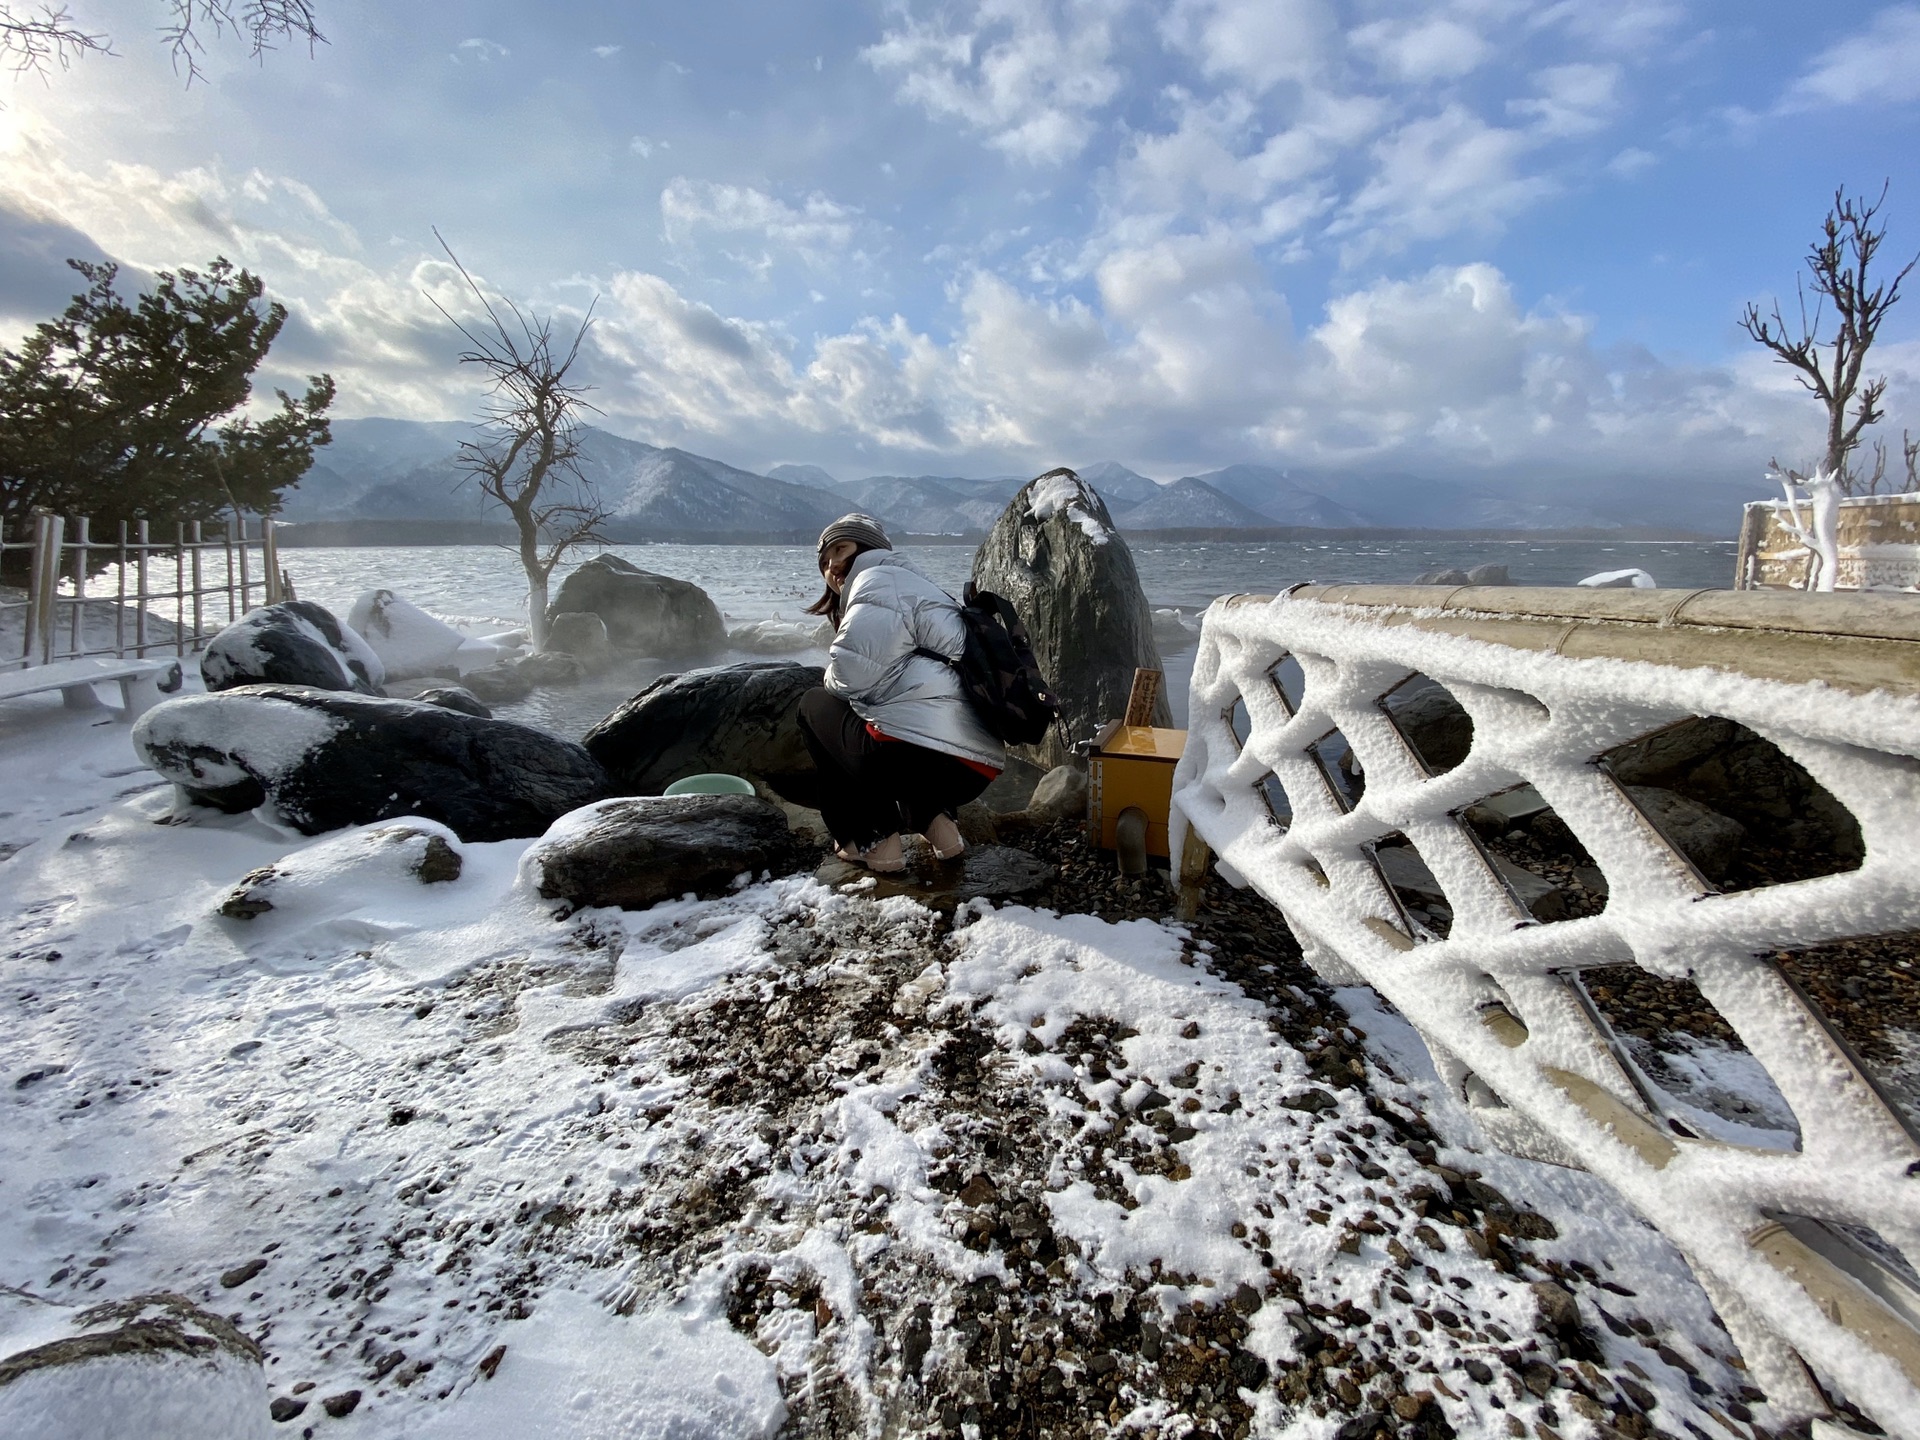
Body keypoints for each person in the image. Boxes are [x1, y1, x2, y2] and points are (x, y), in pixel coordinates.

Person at [797, 513, 1004, 873]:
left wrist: (829, 677)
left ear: (868, 548)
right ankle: (941, 830)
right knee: (893, 716)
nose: (832, 565)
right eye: (824, 561)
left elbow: (849, 675)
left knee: (815, 705)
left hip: (929, 762)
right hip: (976, 766)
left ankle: (872, 840)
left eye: (840, 548)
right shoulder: (919, 585)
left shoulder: (877, 580)